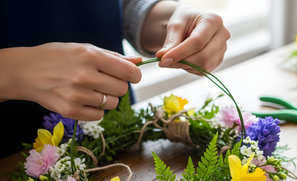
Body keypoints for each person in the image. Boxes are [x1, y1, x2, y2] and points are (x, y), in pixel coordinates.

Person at [0, 0, 230, 158]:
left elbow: (119, 6)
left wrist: (173, 23)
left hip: (119, 137)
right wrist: (15, 72)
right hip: (13, 158)